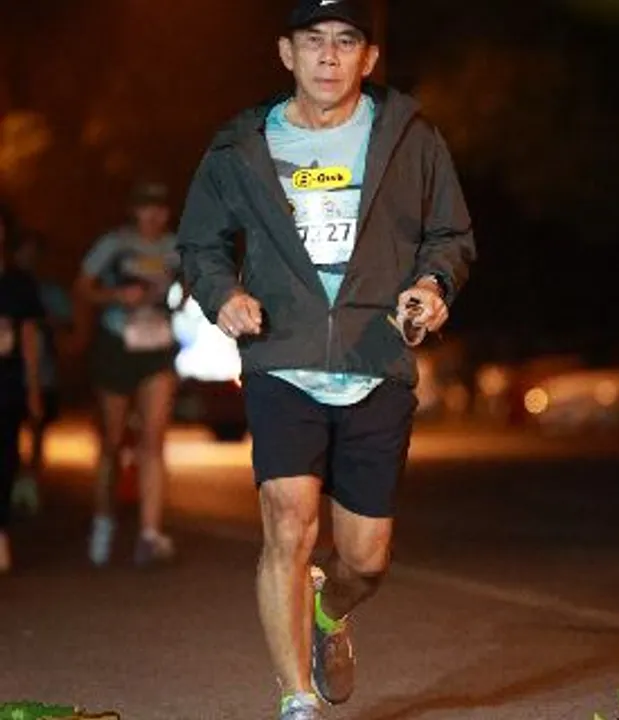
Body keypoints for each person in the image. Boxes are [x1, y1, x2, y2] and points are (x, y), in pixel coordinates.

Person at [176, 0, 476, 717]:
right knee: (288, 520)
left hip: (377, 355)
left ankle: (329, 611)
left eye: (346, 42)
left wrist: (434, 285)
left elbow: (450, 235)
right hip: (283, 352)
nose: (329, 57)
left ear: (368, 58)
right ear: (287, 53)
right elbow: (200, 243)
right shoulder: (242, 145)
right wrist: (223, 295)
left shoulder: (409, 136)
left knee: (365, 559)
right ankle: (297, 698)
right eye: (313, 41)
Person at [74, 182, 181, 568]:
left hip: (157, 345)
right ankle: (103, 521)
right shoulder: (114, 243)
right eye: (145, 207)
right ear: (133, 210)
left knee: (154, 440)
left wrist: (182, 296)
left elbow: (191, 283)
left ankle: (150, 533)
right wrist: (116, 296)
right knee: (113, 442)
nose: (153, 215)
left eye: (160, 208)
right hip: (117, 344)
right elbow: (83, 287)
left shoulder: (175, 246)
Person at [11, 230, 74, 515]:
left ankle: (30, 479)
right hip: (12, 372)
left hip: (43, 371)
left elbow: (66, 326)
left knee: (38, 425)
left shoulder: (49, 292)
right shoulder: (9, 287)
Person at [0, 203, 43, 574]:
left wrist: (33, 389)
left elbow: (29, 340)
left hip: (7, 384)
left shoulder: (18, 284)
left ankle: (1, 535)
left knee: (6, 459)